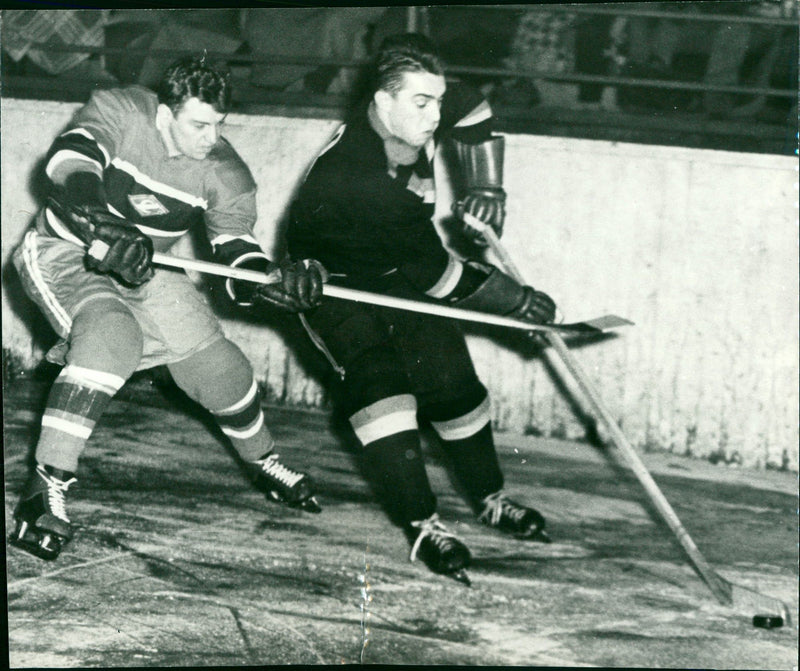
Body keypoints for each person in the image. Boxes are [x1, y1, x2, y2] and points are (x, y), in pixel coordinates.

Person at [10, 56, 325, 562]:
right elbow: (70, 159)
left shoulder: (226, 170)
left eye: (219, 125)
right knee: (112, 340)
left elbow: (235, 252)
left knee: (221, 367)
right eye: (198, 124)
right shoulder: (123, 109)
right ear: (164, 112)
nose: (210, 138)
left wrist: (267, 282)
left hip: (146, 265)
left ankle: (263, 460)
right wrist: (96, 219)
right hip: (65, 251)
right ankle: (43, 486)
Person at [287, 33, 557, 583]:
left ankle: (491, 498)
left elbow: (473, 106)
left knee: (452, 382)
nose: (437, 115)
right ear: (382, 102)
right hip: (334, 287)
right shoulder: (357, 171)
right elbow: (439, 276)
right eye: (422, 104)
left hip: (397, 274)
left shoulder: (425, 102)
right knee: (384, 391)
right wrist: (517, 302)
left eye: (437, 100)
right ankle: (423, 523)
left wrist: (488, 187)